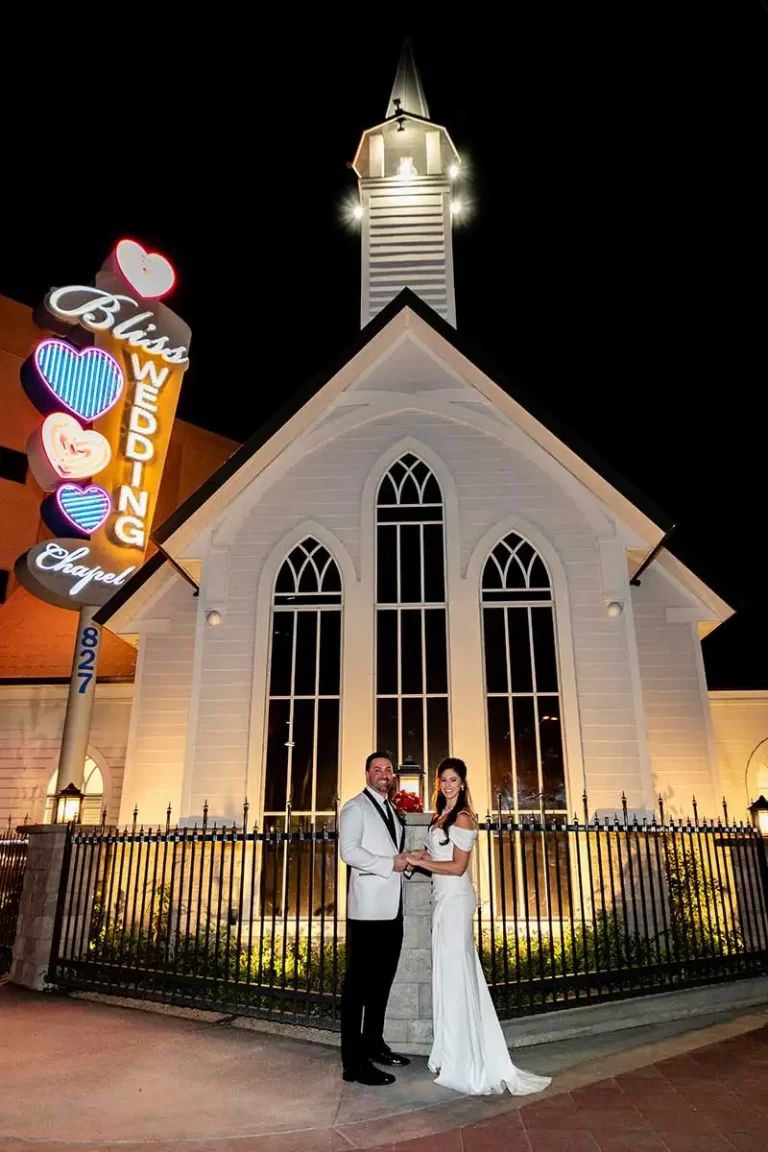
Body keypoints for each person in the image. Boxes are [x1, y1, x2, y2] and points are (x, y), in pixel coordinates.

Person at [406, 757, 551, 1097]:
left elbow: (457, 867)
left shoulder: (464, 818)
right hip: (441, 900)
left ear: (463, 783)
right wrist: (410, 857)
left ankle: (466, 1061)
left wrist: (418, 861)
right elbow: (431, 852)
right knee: (446, 975)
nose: (447, 785)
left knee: (457, 975)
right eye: (443, 779)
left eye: (453, 779)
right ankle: (449, 1054)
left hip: (456, 901)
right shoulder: (440, 816)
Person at [339, 751, 412, 1085]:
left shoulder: (392, 810)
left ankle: (374, 1045)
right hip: (367, 912)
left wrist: (406, 863)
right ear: (367, 774)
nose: (384, 773)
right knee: (358, 988)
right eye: (377, 769)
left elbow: (391, 853)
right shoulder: (355, 807)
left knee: (381, 984)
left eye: (388, 769)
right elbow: (349, 851)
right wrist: (389, 864)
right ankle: (353, 1064)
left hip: (392, 910)